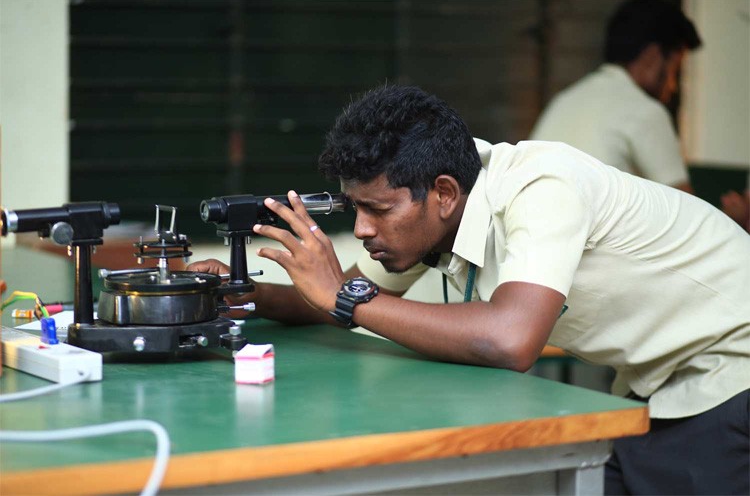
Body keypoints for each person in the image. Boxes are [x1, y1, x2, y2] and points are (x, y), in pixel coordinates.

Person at [190, 85, 750, 495]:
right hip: (656, 385)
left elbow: (511, 339)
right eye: (354, 208)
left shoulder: (541, 186)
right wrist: (246, 296)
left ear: (444, 193)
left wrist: (346, 297)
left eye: (376, 210)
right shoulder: (444, 210)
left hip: (728, 372)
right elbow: (350, 298)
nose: (361, 230)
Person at [530, 0, 701, 193]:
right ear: (652, 57)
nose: (673, 87)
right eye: (675, 70)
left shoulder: (562, 101)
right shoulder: (645, 110)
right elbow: (684, 207)